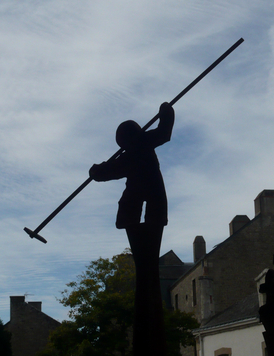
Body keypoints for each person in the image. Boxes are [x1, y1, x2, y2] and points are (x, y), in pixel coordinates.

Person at [89, 102, 174, 356]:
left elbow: (105, 173)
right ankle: (133, 226)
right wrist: (166, 112)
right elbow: (165, 131)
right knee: (134, 212)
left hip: (143, 198)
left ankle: (132, 226)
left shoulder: (129, 155)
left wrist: (96, 170)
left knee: (131, 212)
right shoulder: (145, 142)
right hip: (151, 198)